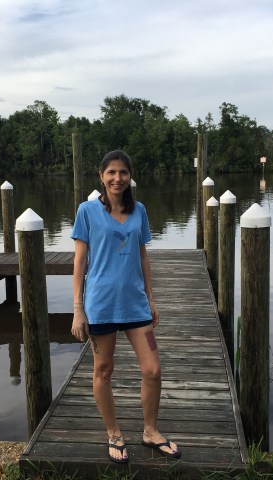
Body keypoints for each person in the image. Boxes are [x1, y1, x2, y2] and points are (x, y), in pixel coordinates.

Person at [70, 150, 181, 464]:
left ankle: (150, 431)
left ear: (130, 176)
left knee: (153, 369)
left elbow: (142, 256)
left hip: (135, 304)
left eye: (123, 172)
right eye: (111, 172)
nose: (117, 178)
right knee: (103, 370)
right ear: (101, 176)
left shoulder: (139, 210)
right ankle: (114, 432)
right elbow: (80, 261)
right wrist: (78, 308)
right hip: (101, 305)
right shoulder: (87, 211)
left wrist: (151, 297)